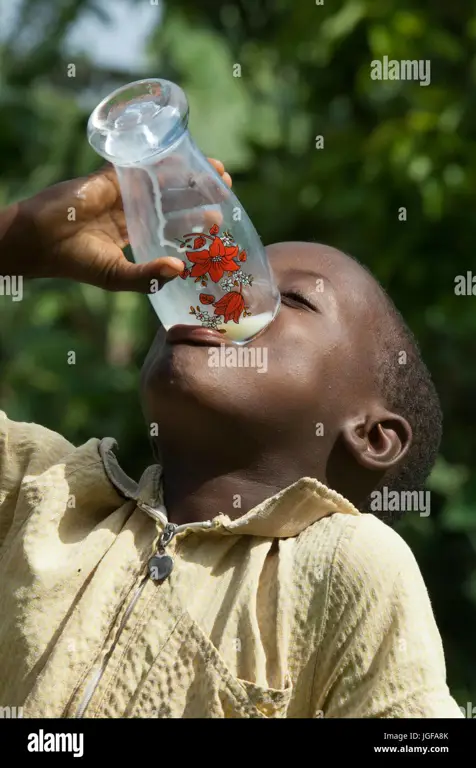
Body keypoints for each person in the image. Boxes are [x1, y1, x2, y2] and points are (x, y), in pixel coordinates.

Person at [0, 158, 463, 718]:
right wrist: (18, 241)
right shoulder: (39, 489)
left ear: (373, 436)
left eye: (290, 300)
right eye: (219, 276)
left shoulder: (351, 569)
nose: (221, 295)